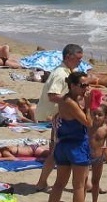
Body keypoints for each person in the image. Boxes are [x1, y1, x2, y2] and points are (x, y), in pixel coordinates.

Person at [35, 44, 84, 191]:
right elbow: (53, 95)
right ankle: (42, 182)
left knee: (56, 151)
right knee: (56, 151)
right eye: (78, 59)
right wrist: (71, 103)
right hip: (57, 117)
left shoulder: (68, 71)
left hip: (59, 116)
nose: (80, 62)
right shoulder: (61, 74)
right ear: (69, 57)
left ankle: (42, 182)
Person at [48, 72, 92, 202]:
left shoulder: (65, 100)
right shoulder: (70, 103)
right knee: (79, 185)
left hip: (63, 146)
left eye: (87, 85)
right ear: (72, 86)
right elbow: (88, 123)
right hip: (76, 146)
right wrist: (88, 106)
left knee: (59, 183)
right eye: (83, 85)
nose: (86, 88)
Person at [88, 105, 107, 202]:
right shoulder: (88, 126)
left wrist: (106, 150)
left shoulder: (106, 129)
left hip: (98, 158)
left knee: (95, 182)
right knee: (83, 182)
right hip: (86, 157)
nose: (96, 117)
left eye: (100, 115)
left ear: (105, 117)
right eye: (94, 114)